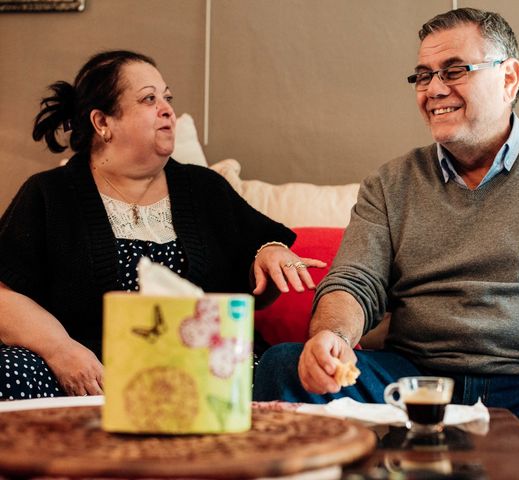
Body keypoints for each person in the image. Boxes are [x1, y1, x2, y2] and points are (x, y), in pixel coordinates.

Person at [254, 8, 519, 480]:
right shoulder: (389, 183)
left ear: (509, 77)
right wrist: (332, 338)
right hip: (415, 384)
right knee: (283, 366)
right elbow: (354, 284)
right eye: (423, 76)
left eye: (454, 70)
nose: (433, 89)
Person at [0, 50, 325, 401]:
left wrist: (269, 255)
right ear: (102, 122)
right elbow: (5, 296)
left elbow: (254, 284)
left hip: (203, 372)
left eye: (166, 98)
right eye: (149, 99)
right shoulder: (50, 193)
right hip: (89, 374)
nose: (167, 108)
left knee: (286, 370)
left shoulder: (204, 188)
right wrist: (62, 352)